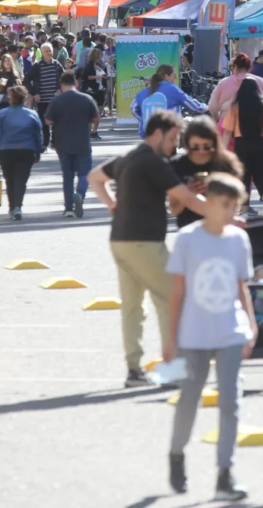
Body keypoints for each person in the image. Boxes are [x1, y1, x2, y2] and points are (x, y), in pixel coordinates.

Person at [87, 110, 208, 387]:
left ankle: (134, 370)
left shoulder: (128, 158)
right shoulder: (154, 163)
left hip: (120, 240)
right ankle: (174, 367)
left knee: (132, 306)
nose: (174, 145)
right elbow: (186, 198)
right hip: (145, 242)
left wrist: (112, 204)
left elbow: (94, 177)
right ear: (157, 134)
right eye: (173, 138)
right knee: (171, 301)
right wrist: (223, 219)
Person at [165, 173, 257, 501]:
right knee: (189, 399)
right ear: (208, 202)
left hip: (230, 331)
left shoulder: (238, 239)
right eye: (225, 204)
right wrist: (170, 338)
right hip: (194, 333)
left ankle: (225, 473)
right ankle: (176, 455)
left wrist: (251, 325)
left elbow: (240, 286)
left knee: (231, 401)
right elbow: (177, 292)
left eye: (235, 206)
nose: (231, 212)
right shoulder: (188, 239)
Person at [219, 77, 263, 217]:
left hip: (242, 144)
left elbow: (227, 131)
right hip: (262, 144)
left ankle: (245, 210)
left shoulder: (235, 106)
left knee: (245, 177)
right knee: (260, 176)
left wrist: (222, 151)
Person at [170, 118, 244, 229]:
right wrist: (187, 193)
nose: (201, 151)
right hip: (190, 230)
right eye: (195, 147)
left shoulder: (226, 163)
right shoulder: (177, 165)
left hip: (222, 229)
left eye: (206, 146)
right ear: (187, 143)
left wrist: (217, 189)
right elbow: (174, 210)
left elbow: (235, 204)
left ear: (214, 143)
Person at [46, 72, 100, 218]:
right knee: (85, 173)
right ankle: (80, 194)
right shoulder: (87, 99)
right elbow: (96, 118)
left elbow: (48, 121)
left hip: (62, 143)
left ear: (61, 85)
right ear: (76, 83)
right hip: (82, 141)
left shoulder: (56, 101)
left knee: (67, 175)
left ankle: (68, 208)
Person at [0, 85, 44, 220]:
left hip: (6, 151)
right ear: (25, 98)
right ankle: (17, 206)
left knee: (10, 180)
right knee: (21, 180)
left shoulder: (3, 114)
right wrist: (38, 151)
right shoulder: (32, 114)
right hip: (26, 150)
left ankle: (11, 207)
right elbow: (38, 135)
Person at [208, 53, 263, 128]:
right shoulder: (260, 81)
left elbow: (212, 107)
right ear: (249, 67)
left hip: (225, 127)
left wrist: (216, 119)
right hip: (254, 129)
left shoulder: (223, 83)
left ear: (234, 66)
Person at [132, 64, 207, 137]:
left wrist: (144, 119)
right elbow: (190, 104)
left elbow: (134, 109)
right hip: (168, 134)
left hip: (148, 135)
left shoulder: (144, 92)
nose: (176, 78)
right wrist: (205, 107)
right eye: (174, 75)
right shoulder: (172, 89)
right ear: (167, 76)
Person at [24, 42, 62, 149]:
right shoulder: (37, 65)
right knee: (44, 121)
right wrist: (34, 93)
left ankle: (55, 141)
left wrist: (60, 88)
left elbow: (63, 77)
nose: (49, 53)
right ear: (42, 53)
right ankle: (45, 142)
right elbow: (26, 79)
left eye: (50, 50)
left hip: (55, 99)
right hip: (42, 99)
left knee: (56, 120)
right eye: (47, 51)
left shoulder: (56, 64)